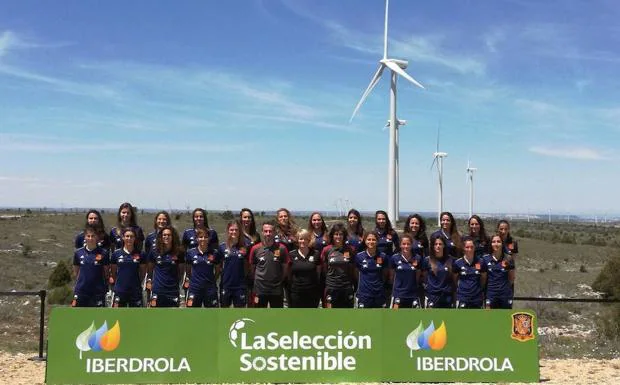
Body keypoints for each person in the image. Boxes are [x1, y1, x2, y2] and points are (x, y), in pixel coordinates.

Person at [249, 221, 289, 308]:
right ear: (262, 232)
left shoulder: (282, 248)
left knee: (276, 316)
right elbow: (252, 269)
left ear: (275, 232)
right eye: (266, 231)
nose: (268, 233)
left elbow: (285, 269)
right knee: (258, 314)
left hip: (276, 290)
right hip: (259, 290)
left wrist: (278, 280)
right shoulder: (255, 249)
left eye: (270, 231)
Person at [72, 225, 109, 307]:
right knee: (79, 317)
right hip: (81, 291)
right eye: (88, 236)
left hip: (97, 293)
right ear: (84, 237)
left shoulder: (104, 253)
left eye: (93, 236)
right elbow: (76, 272)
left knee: (98, 318)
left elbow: (106, 273)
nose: (90, 238)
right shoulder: (78, 253)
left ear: (97, 237)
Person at [147, 225, 183, 307]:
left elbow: (181, 271)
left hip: (173, 291)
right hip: (158, 290)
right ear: (161, 237)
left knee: (172, 318)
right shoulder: (154, 251)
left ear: (173, 237)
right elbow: (150, 270)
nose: (166, 237)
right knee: (156, 317)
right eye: (164, 235)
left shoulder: (179, 252)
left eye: (169, 235)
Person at [321, 223, 356, 308]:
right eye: (336, 234)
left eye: (341, 234)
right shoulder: (327, 250)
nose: (338, 236)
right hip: (331, 287)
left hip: (346, 287)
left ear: (344, 236)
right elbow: (324, 269)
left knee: (346, 315)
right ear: (332, 235)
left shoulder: (350, 249)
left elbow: (352, 269)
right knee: (330, 316)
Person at [110, 227, 146, 307]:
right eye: (127, 236)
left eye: (131, 236)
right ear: (123, 237)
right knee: (117, 318)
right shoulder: (116, 254)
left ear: (135, 238)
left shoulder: (141, 254)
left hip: (135, 291)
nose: (129, 238)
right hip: (120, 291)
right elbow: (113, 272)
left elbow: (142, 273)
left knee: (136, 317)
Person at [185, 227, 221, 308]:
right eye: (200, 237)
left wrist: (211, 282)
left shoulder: (214, 253)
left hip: (210, 290)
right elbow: (188, 271)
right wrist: (195, 281)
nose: (203, 239)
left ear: (209, 239)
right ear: (196, 239)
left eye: (205, 237)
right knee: (193, 315)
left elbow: (218, 271)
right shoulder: (190, 253)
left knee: (212, 315)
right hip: (195, 289)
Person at [287, 229, 321, 308]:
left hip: (312, 292)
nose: (303, 241)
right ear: (297, 240)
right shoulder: (291, 254)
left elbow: (318, 273)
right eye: (301, 238)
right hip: (296, 292)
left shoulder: (316, 254)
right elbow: (288, 274)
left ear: (309, 240)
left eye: (305, 239)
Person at [354, 231, 389, 308]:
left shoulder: (383, 256)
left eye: (373, 239)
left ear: (377, 241)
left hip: (379, 294)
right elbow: (356, 273)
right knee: (363, 319)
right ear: (365, 241)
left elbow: (385, 274)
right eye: (369, 239)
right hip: (364, 294)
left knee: (379, 319)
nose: (371, 241)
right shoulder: (359, 256)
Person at [219, 221, 249, 308]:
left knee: (239, 314)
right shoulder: (222, 247)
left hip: (240, 286)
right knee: (224, 312)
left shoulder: (245, 246)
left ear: (240, 231)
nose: (234, 232)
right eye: (231, 230)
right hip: (226, 285)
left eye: (236, 230)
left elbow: (248, 265)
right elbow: (219, 266)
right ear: (228, 231)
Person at [389, 234, 422, 309]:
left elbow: (417, 276)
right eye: (403, 244)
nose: (406, 246)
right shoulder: (394, 258)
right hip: (398, 295)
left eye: (408, 244)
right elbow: (392, 277)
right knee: (395, 318)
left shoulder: (417, 258)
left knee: (415, 319)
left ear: (411, 245)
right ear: (400, 245)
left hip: (413, 295)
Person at [483, 234, 516, 309]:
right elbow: (483, 279)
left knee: (505, 318)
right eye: (493, 242)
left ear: (502, 243)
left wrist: (503, 288)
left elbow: (511, 278)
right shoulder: (485, 259)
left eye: (498, 241)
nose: (496, 244)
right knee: (489, 319)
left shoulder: (508, 258)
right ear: (491, 244)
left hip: (505, 295)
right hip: (490, 295)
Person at [453, 237, 486, 309]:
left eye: (472, 247)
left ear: (474, 248)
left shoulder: (481, 262)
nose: (470, 249)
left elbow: (483, 279)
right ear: (463, 248)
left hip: (477, 298)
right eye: (467, 247)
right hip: (463, 297)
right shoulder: (457, 263)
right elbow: (455, 279)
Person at [422, 237, 455, 308]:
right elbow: (424, 276)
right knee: (432, 319)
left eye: (440, 244)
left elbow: (454, 278)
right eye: (436, 244)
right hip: (432, 296)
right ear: (433, 246)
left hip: (447, 296)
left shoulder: (451, 260)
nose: (438, 246)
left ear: (444, 246)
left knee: (446, 319)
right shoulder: (427, 260)